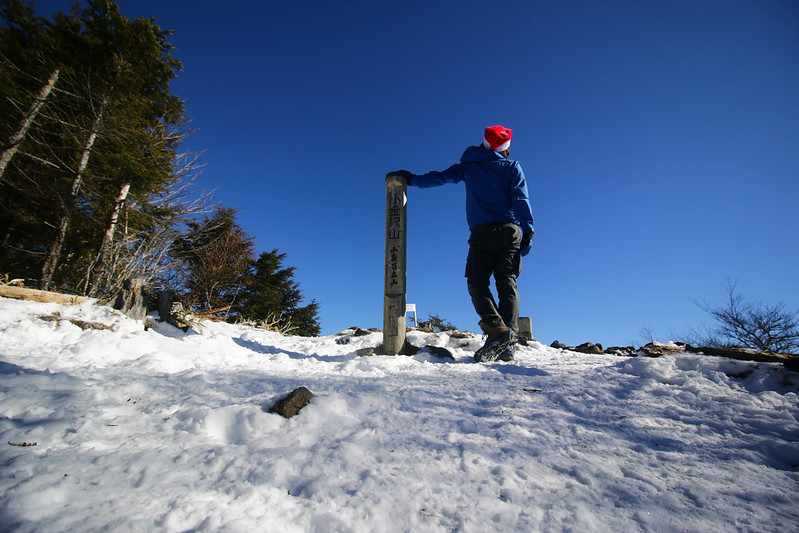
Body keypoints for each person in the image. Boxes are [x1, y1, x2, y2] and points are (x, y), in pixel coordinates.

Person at [389, 125, 534, 362]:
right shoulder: (511, 167)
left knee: (477, 281)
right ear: (505, 148)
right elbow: (521, 198)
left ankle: (499, 332)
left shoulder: (470, 165)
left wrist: (412, 179)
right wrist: (528, 229)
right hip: (510, 231)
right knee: (507, 283)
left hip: (482, 233)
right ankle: (508, 342)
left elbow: (441, 177)